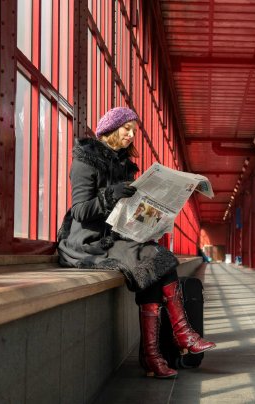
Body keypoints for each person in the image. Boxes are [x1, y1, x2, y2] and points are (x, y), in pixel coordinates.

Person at [57, 107, 215, 379]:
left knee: (155, 265)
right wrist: (111, 195)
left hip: (116, 236)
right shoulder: (85, 160)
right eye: (126, 129)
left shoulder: (125, 166)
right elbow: (80, 211)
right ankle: (176, 338)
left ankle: (156, 354)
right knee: (158, 260)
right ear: (110, 130)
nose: (132, 135)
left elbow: (130, 210)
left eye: (134, 131)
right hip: (87, 242)